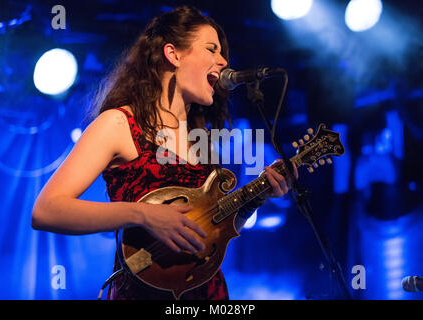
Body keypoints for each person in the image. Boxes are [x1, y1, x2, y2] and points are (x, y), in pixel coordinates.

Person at [31, 5, 298, 300]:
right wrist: (144, 215)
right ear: (173, 54)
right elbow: (47, 210)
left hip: (207, 293)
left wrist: (257, 197)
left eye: (222, 53)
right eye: (211, 49)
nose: (223, 61)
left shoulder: (202, 139)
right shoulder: (119, 123)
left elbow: (212, 230)